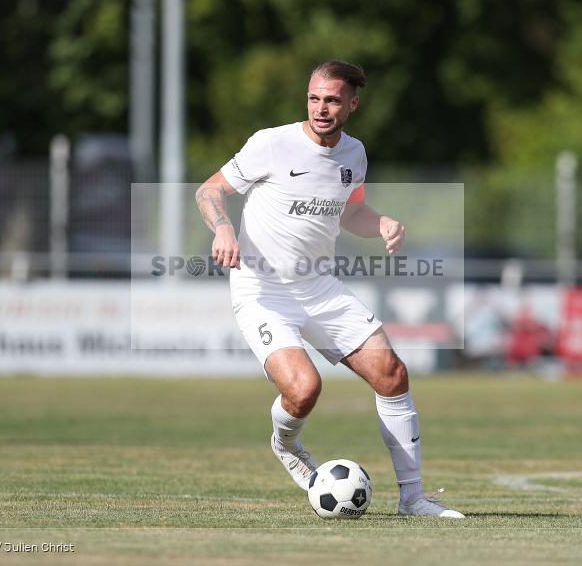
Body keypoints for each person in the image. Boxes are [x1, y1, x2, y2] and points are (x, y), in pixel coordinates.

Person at [194, 60, 464, 518]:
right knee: (304, 389)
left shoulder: (354, 154)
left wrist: (381, 222)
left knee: (392, 374)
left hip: (319, 286)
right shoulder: (272, 144)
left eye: (333, 100)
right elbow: (209, 191)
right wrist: (223, 230)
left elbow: (350, 212)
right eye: (315, 98)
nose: (322, 108)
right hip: (262, 291)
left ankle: (414, 499)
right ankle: (286, 442)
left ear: (352, 104)